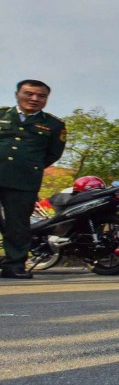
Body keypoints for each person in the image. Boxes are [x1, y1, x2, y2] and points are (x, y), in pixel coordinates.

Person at [0, 80, 66, 280]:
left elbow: (53, 154)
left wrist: (29, 167)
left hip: (24, 181)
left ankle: (15, 264)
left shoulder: (54, 125)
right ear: (17, 94)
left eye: (41, 96)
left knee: (18, 224)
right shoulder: (2, 115)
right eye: (29, 94)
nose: (34, 99)